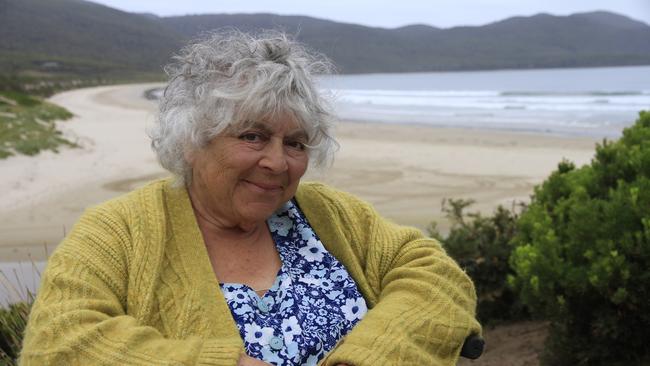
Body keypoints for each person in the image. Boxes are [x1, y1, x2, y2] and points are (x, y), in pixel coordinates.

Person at [20, 30, 481, 366]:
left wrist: (366, 357)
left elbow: (435, 277)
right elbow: (58, 345)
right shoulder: (117, 231)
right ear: (191, 140)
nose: (278, 163)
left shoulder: (329, 214)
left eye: (296, 143)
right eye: (253, 136)